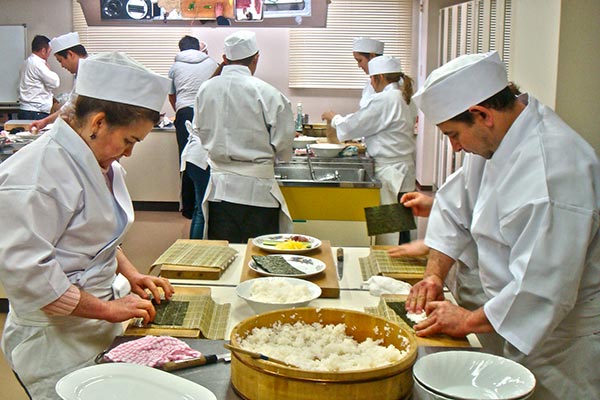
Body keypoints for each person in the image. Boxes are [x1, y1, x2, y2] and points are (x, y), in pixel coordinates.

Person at [406, 51, 600, 399]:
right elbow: (453, 210)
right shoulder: (498, 142)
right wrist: (434, 274)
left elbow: (541, 290)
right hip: (505, 318)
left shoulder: (552, 172)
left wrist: (466, 321)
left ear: (482, 115)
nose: (454, 147)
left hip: (560, 341)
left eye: (453, 134)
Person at [0, 52, 174, 399]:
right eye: (129, 141)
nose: (129, 154)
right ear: (97, 123)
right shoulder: (34, 176)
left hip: (95, 323)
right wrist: (109, 310)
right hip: (55, 339)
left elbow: (99, 237)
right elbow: (34, 279)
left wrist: (132, 275)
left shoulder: (99, 163)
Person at [193, 30, 295, 243]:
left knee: (225, 253)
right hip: (259, 192)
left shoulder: (205, 89)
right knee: (260, 255)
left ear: (225, 59)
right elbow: (284, 144)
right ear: (256, 57)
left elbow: (199, 131)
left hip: (220, 190)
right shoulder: (269, 94)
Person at [322, 56, 417, 245]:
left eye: (372, 79)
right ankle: (402, 265)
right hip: (403, 170)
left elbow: (354, 125)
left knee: (391, 231)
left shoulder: (386, 99)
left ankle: (393, 267)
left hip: (391, 172)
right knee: (403, 226)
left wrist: (334, 118)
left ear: (379, 77)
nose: (371, 84)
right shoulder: (404, 97)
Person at [169, 35, 218, 220]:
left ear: (180, 48)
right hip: (207, 112)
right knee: (209, 158)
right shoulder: (212, 63)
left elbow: (171, 95)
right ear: (199, 48)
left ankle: (189, 208)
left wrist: (181, 112)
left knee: (186, 159)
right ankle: (207, 202)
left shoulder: (175, 67)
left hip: (185, 114)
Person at [29, 32, 88, 132]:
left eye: (60, 61)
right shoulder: (83, 71)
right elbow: (70, 105)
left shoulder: (89, 71)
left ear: (70, 54)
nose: (62, 66)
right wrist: (45, 122)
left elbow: (71, 106)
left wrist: (45, 121)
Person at [18, 35, 60, 121]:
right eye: (49, 51)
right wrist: (49, 70)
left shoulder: (27, 62)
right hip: (35, 112)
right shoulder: (38, 64)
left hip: (28, 111)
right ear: (43, 51)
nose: (49, 54)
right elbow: (55, 83)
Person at [352, 37, 384, 108]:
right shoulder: (370, 83)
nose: (359, 65)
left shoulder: (390, 84)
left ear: (372, 56)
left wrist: (335, 118)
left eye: (360, 60)